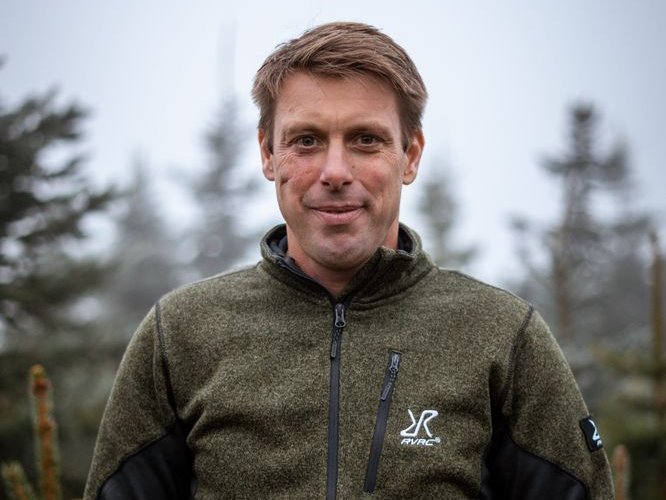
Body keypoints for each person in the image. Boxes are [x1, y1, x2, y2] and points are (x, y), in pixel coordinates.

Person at [84, 22, 614, 499]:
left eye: (365, 140)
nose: (335, 172)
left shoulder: (503, 335)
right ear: (268, 154)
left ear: (410, 155)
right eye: (307, 140)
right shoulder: (180, 334)